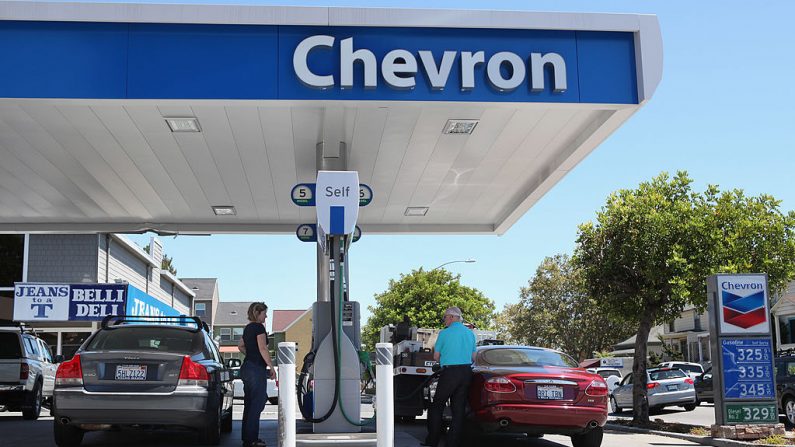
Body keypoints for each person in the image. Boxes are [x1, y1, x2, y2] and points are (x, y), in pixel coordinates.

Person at [423, 306, 477, 447]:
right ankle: (453, 443)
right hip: (466, 373)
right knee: (458, 409)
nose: (444, 320)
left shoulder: (444, 334)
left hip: (450, 373)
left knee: (437, 405)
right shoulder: (470, 334)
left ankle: (432, 441)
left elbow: (436, 357)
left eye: (446, 317)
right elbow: (473, 357)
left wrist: (444, 359)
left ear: (452, 317)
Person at [237, 302, 276, 447]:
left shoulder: (248, 328)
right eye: (264, 313)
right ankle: (252, 439)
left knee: (249, 404)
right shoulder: (259, 327)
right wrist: (271, 367)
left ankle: (247, 438)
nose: (266, 316)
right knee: (257, 403)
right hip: (256, 370)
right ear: (257, 313)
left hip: (247, 367)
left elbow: (240, 346)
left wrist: (252, 355)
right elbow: (263, 348)